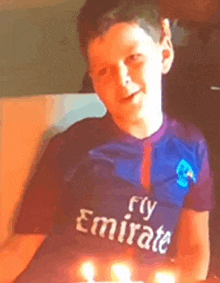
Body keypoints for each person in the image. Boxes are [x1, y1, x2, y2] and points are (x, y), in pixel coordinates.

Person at [0, 0, 215, 282]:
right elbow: (22, 246)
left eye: (134, 57)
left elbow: (194, 248)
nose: (122, 79)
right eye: (104, 70)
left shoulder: (192, 147)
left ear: (164, 53)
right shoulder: (72, 147)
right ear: (93, 79)